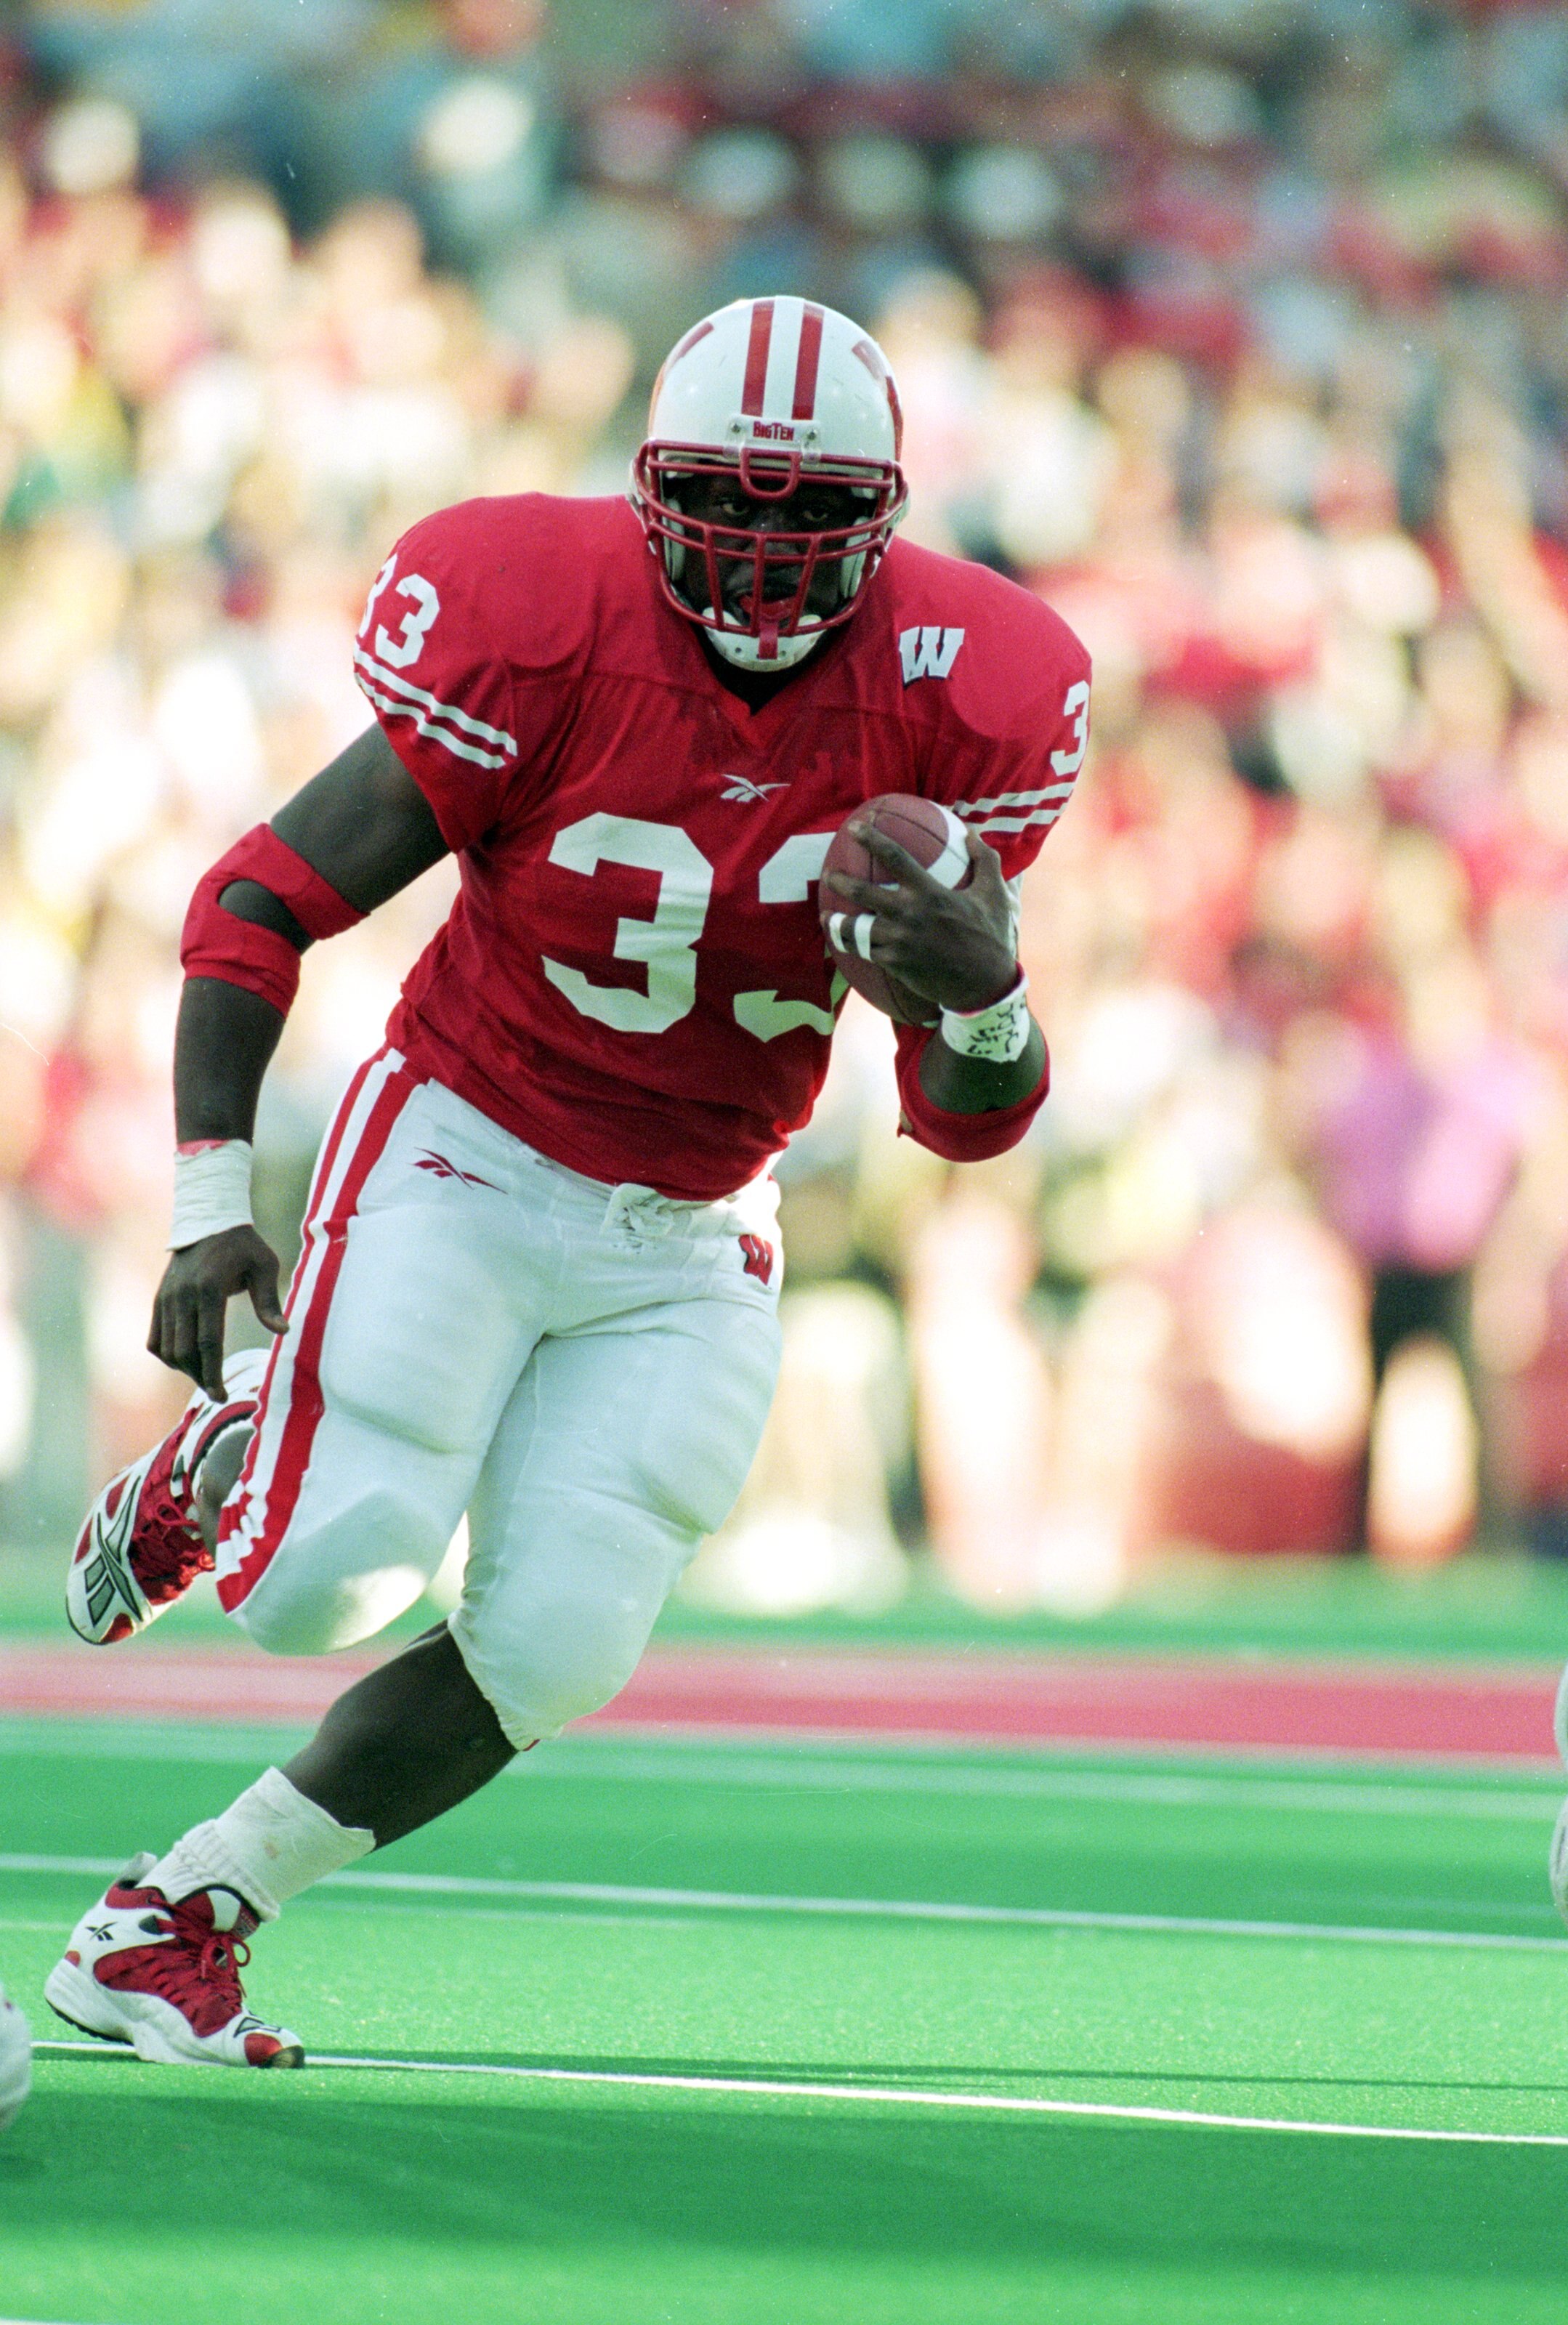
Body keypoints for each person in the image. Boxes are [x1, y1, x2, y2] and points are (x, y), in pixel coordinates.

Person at [47, 296, 1091, 2066]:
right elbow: (254, 901)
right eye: (725, 496)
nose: (761, 544)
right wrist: (208, 1202)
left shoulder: (972, 686)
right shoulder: (535, 615)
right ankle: (228, 1458)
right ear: (650, 485)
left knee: (557, 1647)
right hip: (466, 1138)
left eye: (808, 508)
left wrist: (986, 993)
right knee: (324, 1582)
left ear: (887, 514)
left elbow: (965, 1122)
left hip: (694, 1219)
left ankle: (180, 1916)